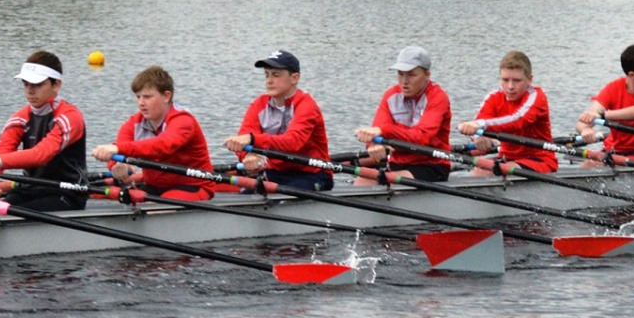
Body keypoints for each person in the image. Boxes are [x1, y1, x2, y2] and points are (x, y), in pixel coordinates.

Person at [0, 51, 88, 212]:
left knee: (11, 215)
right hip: (30, 188)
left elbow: (40, 155)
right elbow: (3, 149)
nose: (30, 91)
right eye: (26, 84)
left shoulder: (69, 117)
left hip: (66, 192)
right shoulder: (20, 117)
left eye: (37, 85)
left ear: (56, 85)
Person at [92, 65, 219, 200]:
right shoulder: (133, 124)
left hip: (193, 185)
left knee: (154, 208)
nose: (141, 103)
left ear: (166, 96)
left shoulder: (183, 121)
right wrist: (116, 164)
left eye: (147, 97)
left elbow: (162, 146)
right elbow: (120, 149)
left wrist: (117, 149)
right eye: (138, 97)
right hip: (154, 186)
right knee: (97, 195)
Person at [224, 50, 333, 191]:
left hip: (312, 174)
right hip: (274, 172)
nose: (269, 81)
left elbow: (292, 143)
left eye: (276, 75)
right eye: (267, 75)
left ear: (294, 78)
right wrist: (248, 155)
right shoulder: (258, 104)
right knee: (225, 185)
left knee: (279, 197)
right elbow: (243, 138)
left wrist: (252, 140)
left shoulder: (306, 105)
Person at [354, 45, 452, 183]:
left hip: (431, 164)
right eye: (400, 74)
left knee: (380, 180)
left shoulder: (438, 97)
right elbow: (376, 131)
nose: (404, 81)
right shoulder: (390, 96)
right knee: (362, 180)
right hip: (396, 163)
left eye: (412, 75)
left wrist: (383, 131)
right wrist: (373, 145)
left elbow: (421, 137)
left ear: (427, 75)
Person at [459, 50, 558, 175]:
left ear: (529, 80)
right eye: (505, 80)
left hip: (540, 160)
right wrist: (479, 137)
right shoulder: (494, 97)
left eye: (516, 80)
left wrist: (480, 125)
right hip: (507, 158)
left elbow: (517, 121)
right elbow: (479, 122)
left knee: (497, 170)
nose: (510, 86)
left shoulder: (537, 96)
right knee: (479, 170)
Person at [576, 44, 634, 163]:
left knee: (601, 165)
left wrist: (602, 116)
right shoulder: (613, 88)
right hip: (614, 149)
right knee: (589, 165)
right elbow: (588, 116)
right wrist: (585, 130)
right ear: (632, 75)